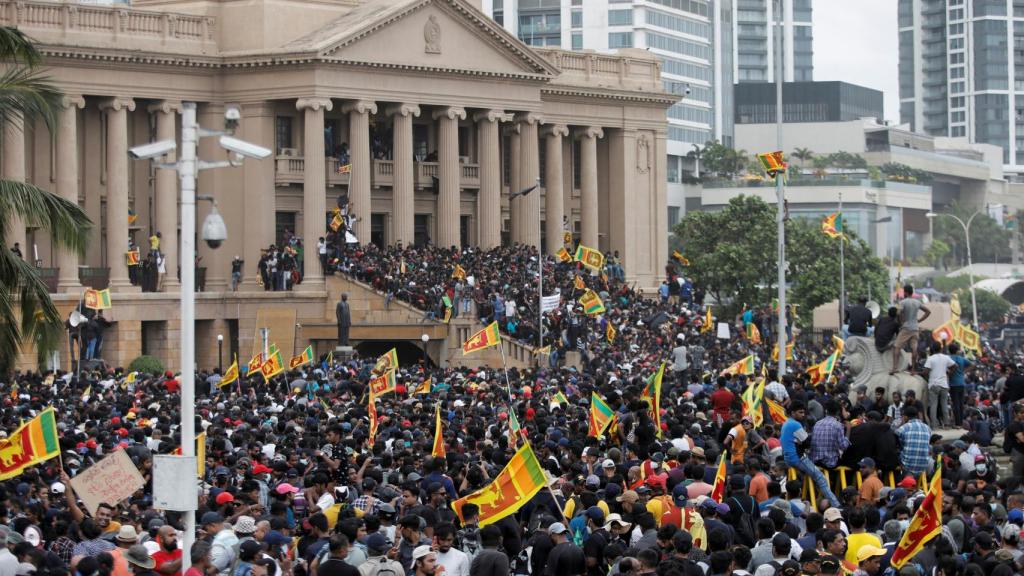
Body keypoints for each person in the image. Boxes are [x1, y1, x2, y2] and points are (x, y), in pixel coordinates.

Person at [780, 402, 841, 508]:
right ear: (793, 413)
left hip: (788, 459)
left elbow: (803, 442)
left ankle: (817, 500)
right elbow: (807, 442)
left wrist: (803, 442)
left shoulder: (786, 423)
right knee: (820, 477)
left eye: (804, 412)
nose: (803, 414)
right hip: (797, 458)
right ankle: (837, 505)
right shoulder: (795, 424)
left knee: (813, 477)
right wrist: (806, 440)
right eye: (800, 412)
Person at [891, 285, 931, 374]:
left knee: (896, 346)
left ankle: (895, 368)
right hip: (915, 328)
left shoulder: (903, 302)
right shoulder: (917, 302)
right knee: (914, 349)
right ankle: (913, 369)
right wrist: (919, 320)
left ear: (905, 292)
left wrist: (901, 322)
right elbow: (928, 312)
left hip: (906, 327)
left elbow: (898, 313)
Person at [923, 343, 955, 429]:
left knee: (934, 405)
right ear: (940, 349)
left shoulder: (930, 359)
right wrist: (949, 373)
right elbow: (955, 366)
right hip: (944, 384)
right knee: (944, 405)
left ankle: (934, 425)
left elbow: (925, 372)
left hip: (934, 384)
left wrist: (928, 378)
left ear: (932, 349)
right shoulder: (946, 357)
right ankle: (947, 424)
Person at [947, 342, 973, 427]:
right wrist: (964, 372)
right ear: (957, 351)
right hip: (962, 384)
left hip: (953, 385)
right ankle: (960, 422)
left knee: (955, 404)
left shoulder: (948, 358)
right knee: (961, 404)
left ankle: (958, 423)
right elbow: (972, 365)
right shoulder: (961, 358)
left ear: (949, 350)